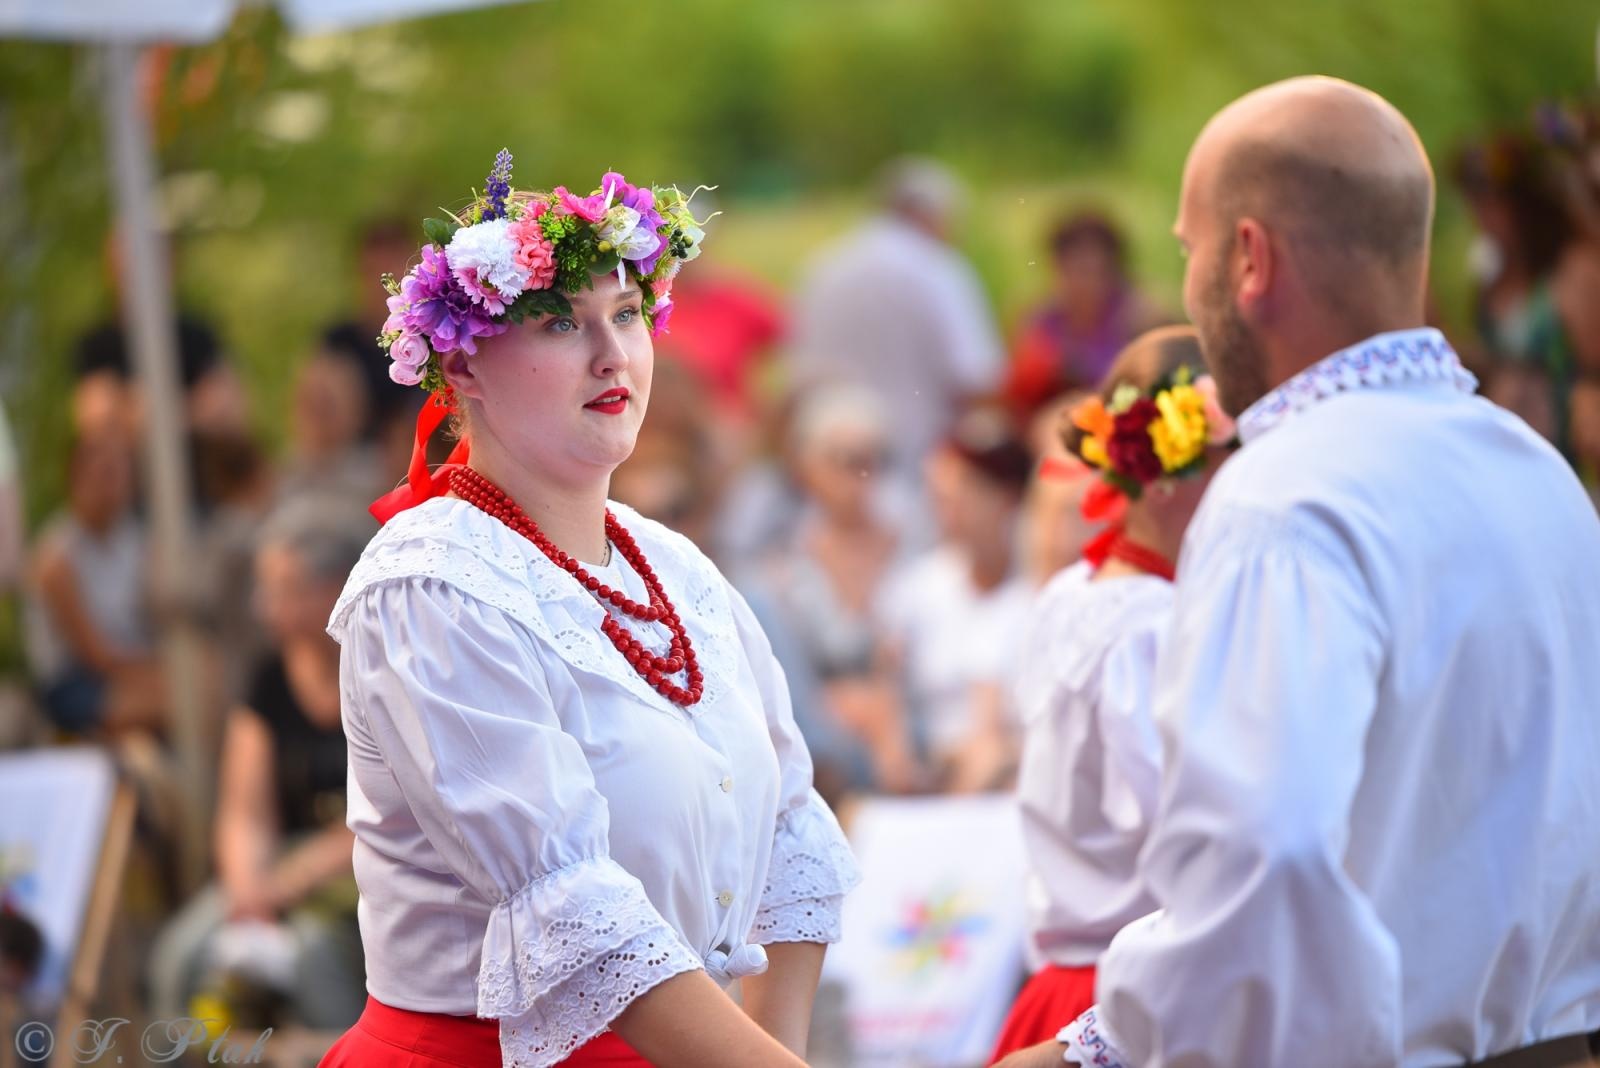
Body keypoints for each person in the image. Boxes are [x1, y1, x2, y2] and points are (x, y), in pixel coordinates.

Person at [999, 76, 1600, 1068]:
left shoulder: (1284, 497)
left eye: (1189, 249)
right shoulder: (1533, 469)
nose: (1185, 281)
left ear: (1248, 259)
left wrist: (1088, 1054)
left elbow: (1259, 866)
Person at [318, 155, 859, 1068]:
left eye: (628, 314)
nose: (611, 353)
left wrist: (777, 1053)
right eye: (558, 323)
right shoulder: (430, 586)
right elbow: (581, 914)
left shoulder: (675, 565)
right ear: (465, 365)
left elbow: (790, 831)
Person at [987, 327, 1234, 1062]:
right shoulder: (1149, 628)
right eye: (1234, 457)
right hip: (1126, 993)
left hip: (1070, 982)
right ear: (1168, 471)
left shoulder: (1074, 593)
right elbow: (1191, 845)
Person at [148, 498, 369, 1031]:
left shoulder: (379, 671)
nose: (262, 607)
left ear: (334, 587)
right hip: (279, 869)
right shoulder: (268, 679)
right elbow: (245, 811)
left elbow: (403, 809)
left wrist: (293, 880)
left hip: (364, 869)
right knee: (178, 957)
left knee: (315, 958)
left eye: (283, 589)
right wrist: (249, 888)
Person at [789, 157, 1004, 489]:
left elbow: (799, 376)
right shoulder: (939, 268)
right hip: (920, 464)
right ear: (933, 214)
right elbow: (976, 378)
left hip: (830, 468)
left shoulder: (822, 266)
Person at [877, 408, 1036, 794]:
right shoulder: (917, 587)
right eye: (941, 498)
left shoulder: (1039, 590)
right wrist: (894, 750)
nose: (947, 511)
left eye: (964, 495)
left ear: (1005, 499)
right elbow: (887, 685)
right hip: (934, 775)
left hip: (1020, 775)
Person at [1455, 132, 1600, 468]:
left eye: (1493, 203)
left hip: (1572, 456)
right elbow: (1495, 358)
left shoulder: (1575, 270)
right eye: (1476, 204)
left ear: (1525, 204)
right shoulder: (1492, 274)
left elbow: (1593, 372)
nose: (1483, 217)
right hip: (1508, 451)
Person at [23, 432, 166, 737]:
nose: (113, 486)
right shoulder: (56, 558)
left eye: (120, 473)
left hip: (131, 669)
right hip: (75, 683)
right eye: (105, 474)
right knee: (178, 702)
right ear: (77, 480)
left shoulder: (138, 541)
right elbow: (95, 655)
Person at [1002, 212, 1168, 421]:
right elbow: (1016, 396)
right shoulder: (1039, 322)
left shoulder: (1142, 318)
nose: (1085, 284)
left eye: (1094, 271)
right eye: (1076, 270)